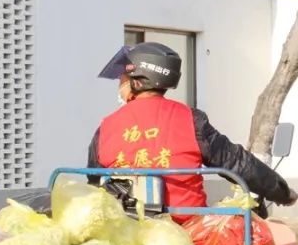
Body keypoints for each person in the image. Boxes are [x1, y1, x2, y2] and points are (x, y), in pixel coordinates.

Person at [89, 42, 297, 213]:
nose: (120, 84)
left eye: (123, 79)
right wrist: (282, 192)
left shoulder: (106, 126)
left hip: (127, 231)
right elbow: (236, 162)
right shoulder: (191, 119)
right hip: (188, 232)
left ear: (138, 81)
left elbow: (94, 180)